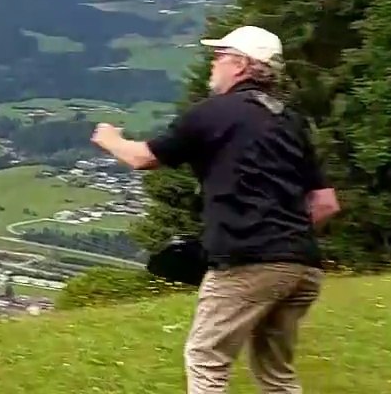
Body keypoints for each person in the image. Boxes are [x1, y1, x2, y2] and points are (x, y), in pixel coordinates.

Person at [89, 25, 340, 394]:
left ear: (240, 65)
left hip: (248, 261)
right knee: (276, 374)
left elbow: (144, 158)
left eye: (219, 56)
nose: (212, 64)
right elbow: (326, 203)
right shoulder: (290, 120)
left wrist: (110, 139)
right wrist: (285, 242)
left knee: (206, 360)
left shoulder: (214, 112)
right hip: (303, 266)